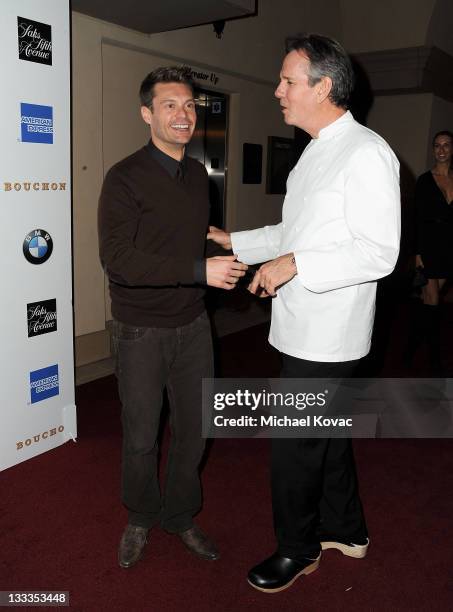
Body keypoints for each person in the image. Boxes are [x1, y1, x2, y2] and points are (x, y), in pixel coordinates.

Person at [208, 33, 400, 593]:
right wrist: (236, 241)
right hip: (304, 325)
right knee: (327, 435)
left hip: (328, 334)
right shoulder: (318, 148)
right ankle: (347, 529)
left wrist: (293, 264)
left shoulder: (366, 152)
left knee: (295, 445)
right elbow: (294, 233)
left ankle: (297, 549)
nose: (278, 91)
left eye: (288, 81)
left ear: (323, 86)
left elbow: (379, 251)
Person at [98, 66, 247, 569]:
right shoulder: (124, 177)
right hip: (140, 328)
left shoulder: (198, 175)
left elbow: (188, 240)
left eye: (188, 106)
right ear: (147, 114)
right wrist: (197, 268)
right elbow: (118, 259)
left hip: (193, 325)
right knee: (142, 435)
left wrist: (226, 252)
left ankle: (180, 515)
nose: (182, 116)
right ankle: (140, 514)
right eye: (169, 106)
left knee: (195, 428)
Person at [405, 130, 453, 372]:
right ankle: (434, 358)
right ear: (433, 150)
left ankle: (412, 344)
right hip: (428, 246)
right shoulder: (425, 180)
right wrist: (417, 253)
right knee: (433, 300)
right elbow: (416, 219)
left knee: (430, 302)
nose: (441, 149)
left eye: (446, 145)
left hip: (449, 247)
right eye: (437, 145)